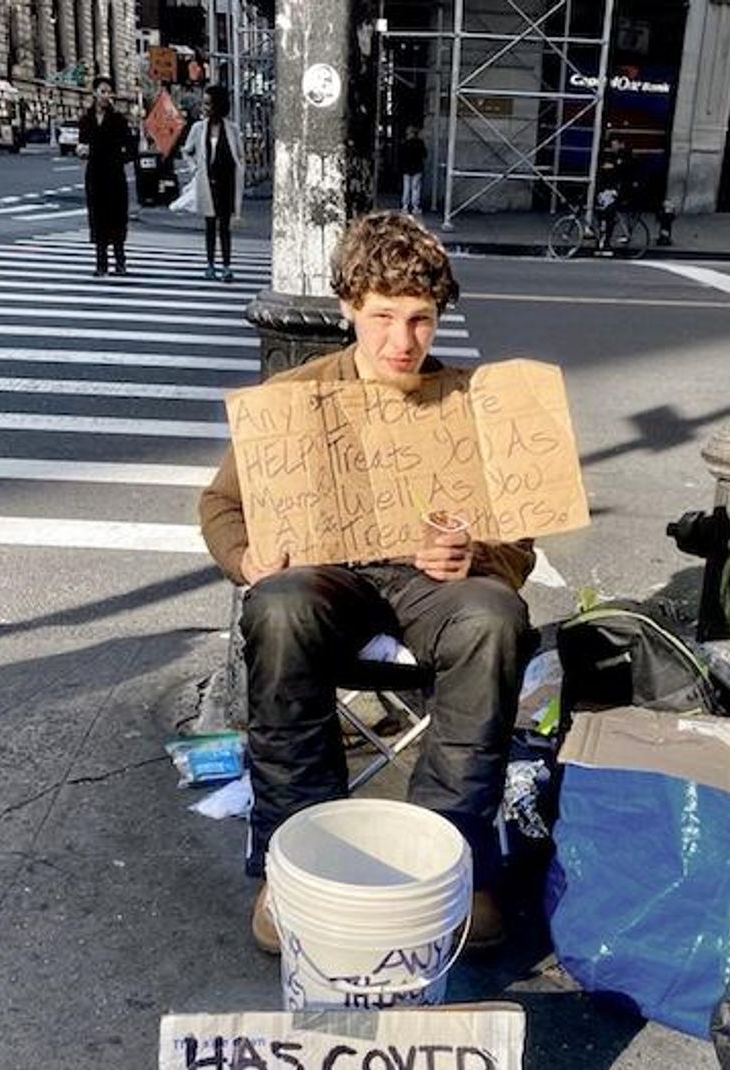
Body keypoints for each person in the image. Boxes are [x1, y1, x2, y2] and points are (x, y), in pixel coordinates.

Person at [200, 212, 537, 954]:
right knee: (278, 606)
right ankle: (294, 862)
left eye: (420, 319)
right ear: (349, 308)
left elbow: (519, 542)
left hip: (432, 584)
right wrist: (248, 559)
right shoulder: (297, 395)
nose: (401, 341)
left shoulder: (470, 401)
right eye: (383, 317)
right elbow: (221, 505)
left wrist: (477, 555)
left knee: (495, 617)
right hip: (329, 578)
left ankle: (452, 862)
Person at [180, 85, 245, 281]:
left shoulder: (232, 129)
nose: (205, 107)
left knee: (224, 226)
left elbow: (240, 155)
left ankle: (226, 266)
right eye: (204, 103)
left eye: (208, 104)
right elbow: (186, 151)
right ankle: (210, 264)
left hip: (226, 182)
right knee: (209, 224)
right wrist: (195, 168)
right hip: (207, 182)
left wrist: (239, 173)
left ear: (218, 105)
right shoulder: (198, 128)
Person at [77, 76, 135, 278]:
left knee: (117, 217)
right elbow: (82, 142)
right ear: (94, 93)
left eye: (109, 92)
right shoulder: (86, 119)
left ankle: (120, 261)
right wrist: (82, 150)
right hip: (95, 174)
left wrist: (120, 158)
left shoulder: (118, 119)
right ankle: (101, 262)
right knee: (98, 217)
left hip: (114, 175)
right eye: (102, 91)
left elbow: (131, 148)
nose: (106, 95)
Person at [400, 125, 427, 215]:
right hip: (417, 168)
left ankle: (405, 206)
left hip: (406, 168)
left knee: (406, 188)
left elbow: (401, 155)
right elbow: (424, 155)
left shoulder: (405, 143)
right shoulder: (420, 143)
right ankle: (415, 207)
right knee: (415, 188)